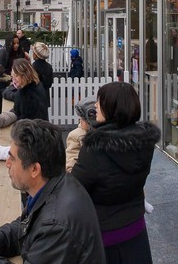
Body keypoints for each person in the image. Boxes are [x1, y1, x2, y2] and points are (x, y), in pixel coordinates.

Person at [0, 119, 105, 264]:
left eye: (12, 158)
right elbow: (29, 224)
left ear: (34, 169)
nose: (7, 163)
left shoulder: (55, 225)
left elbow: (42, 227)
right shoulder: (55, 186)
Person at [71, 82, 159, 262]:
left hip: (105, 235)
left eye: (100, 102)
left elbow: (75, 188)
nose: (95, 106)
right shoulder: (145, 141)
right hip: (136, 228)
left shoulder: (95, 148)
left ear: (112, 107)